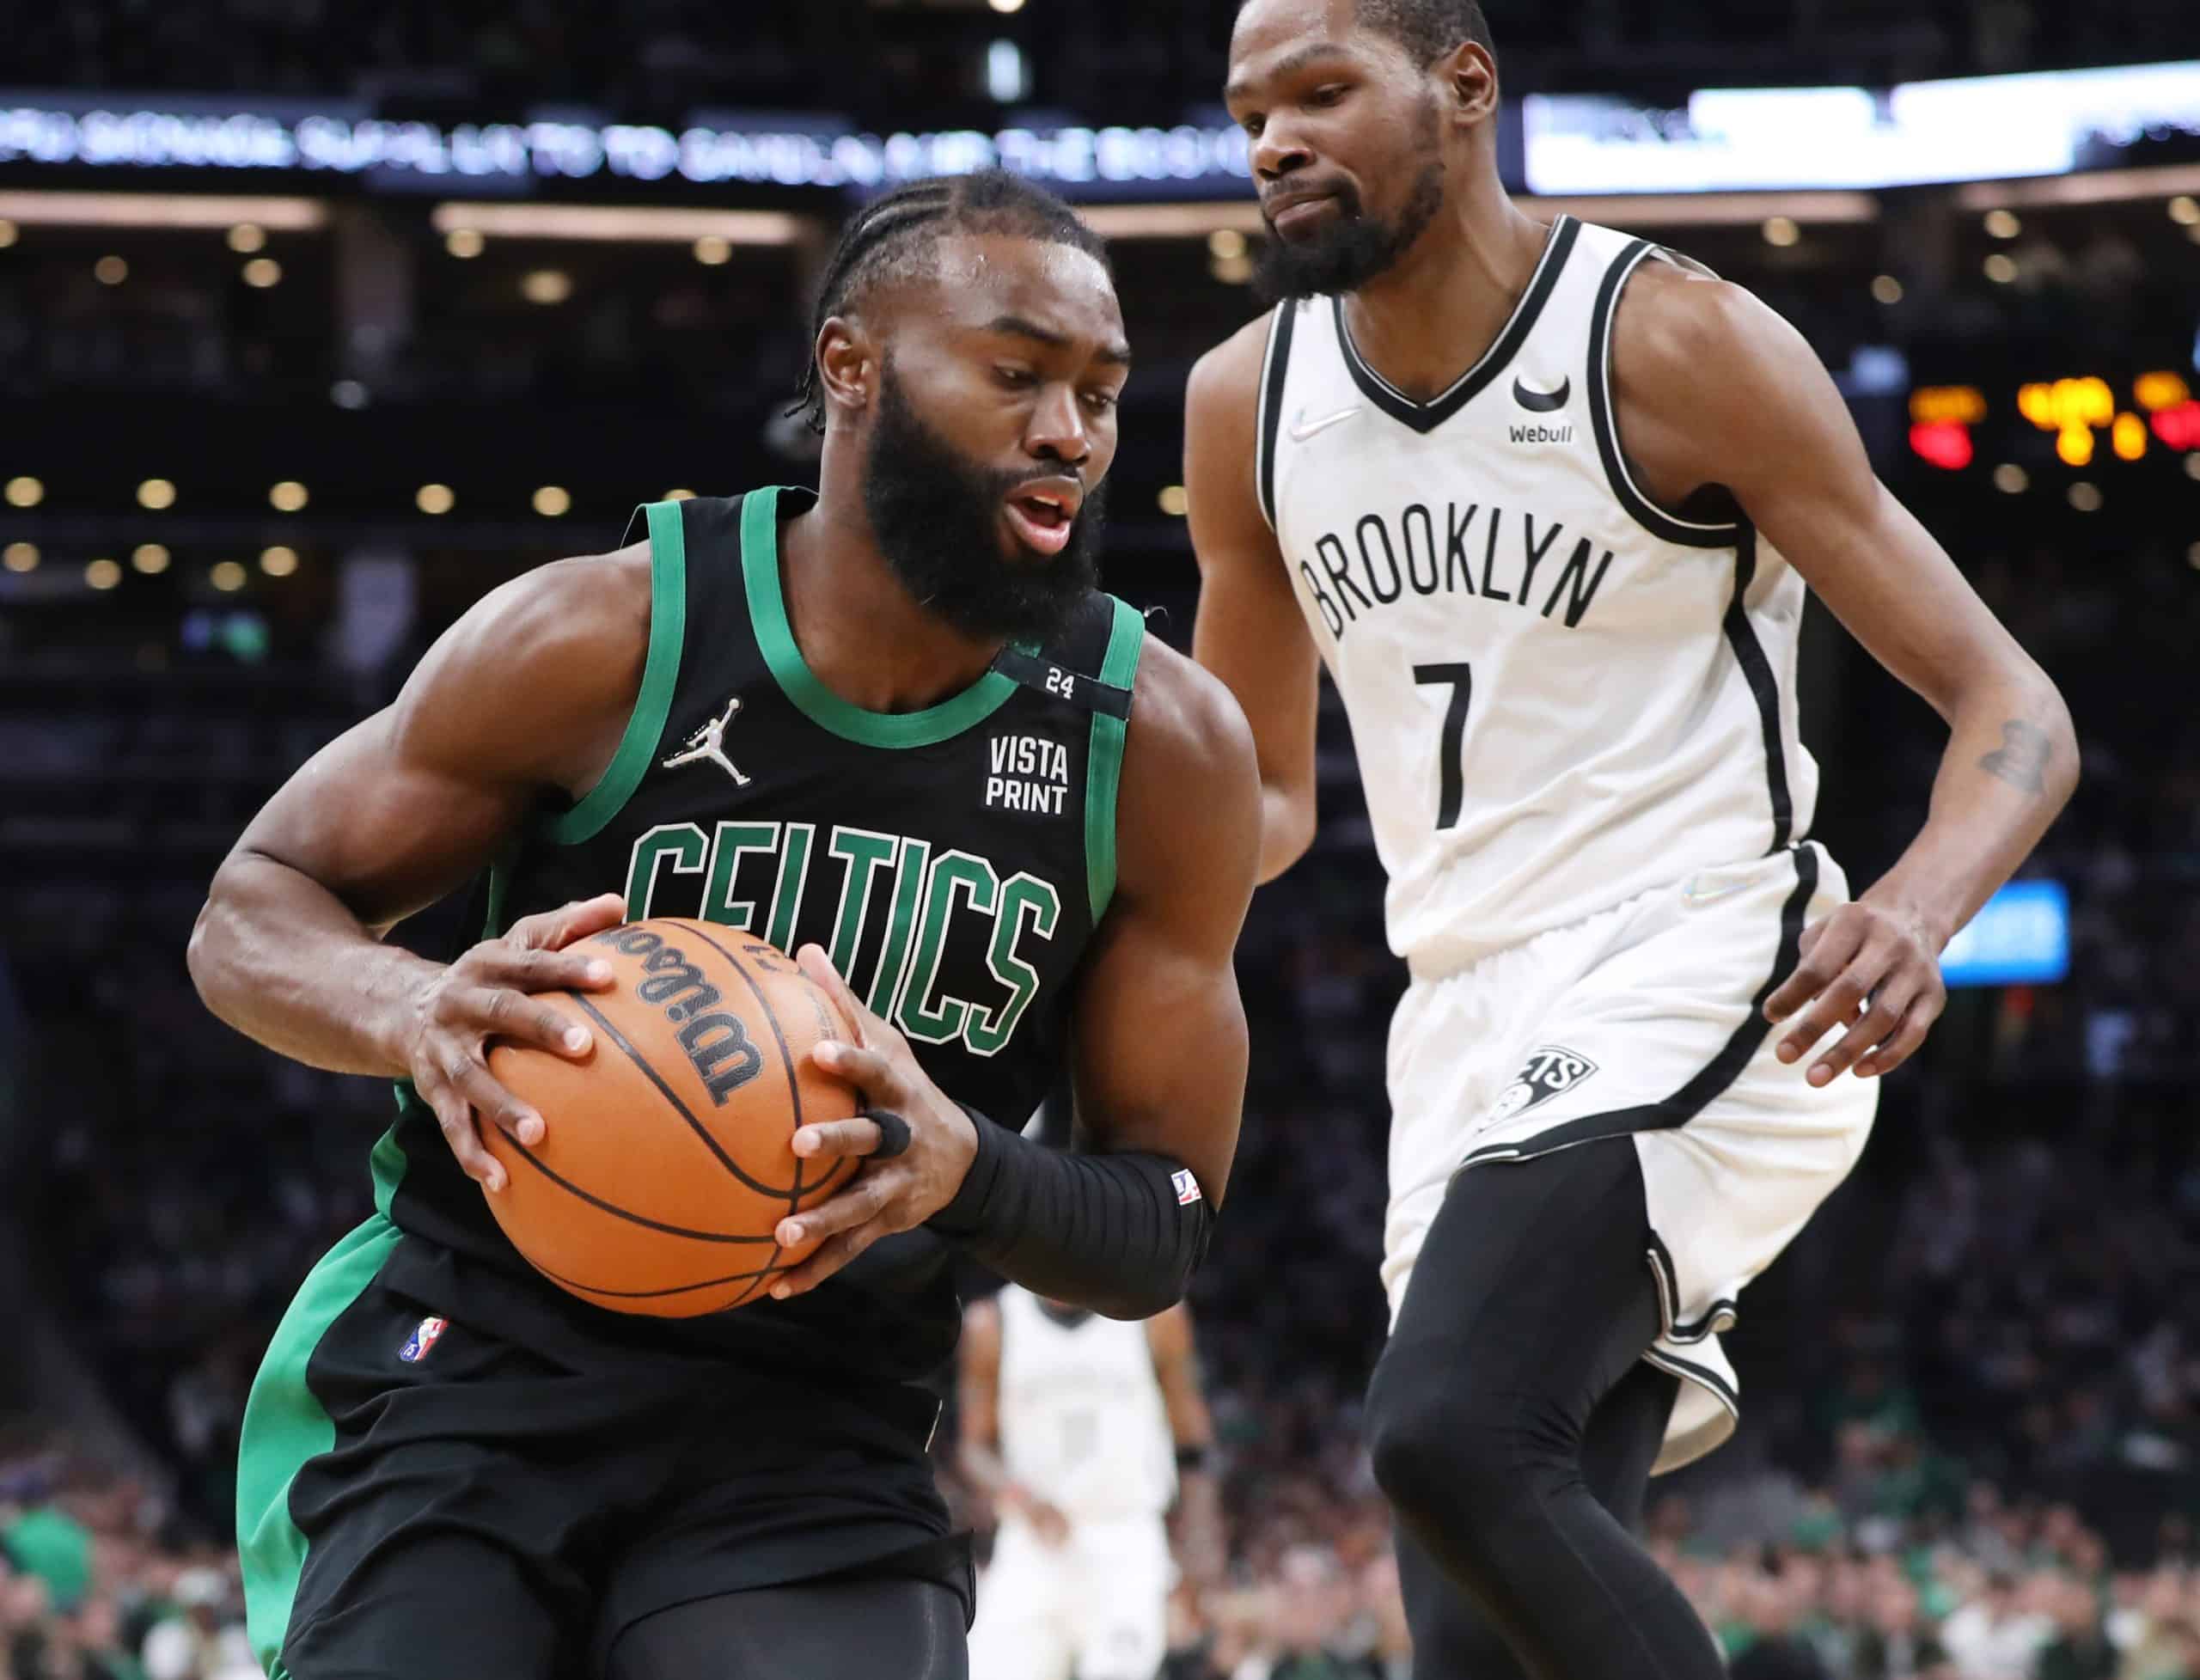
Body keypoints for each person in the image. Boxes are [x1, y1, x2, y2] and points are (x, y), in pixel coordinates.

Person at [188, 169, 1262, 1680]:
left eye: (1098, 391)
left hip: (812, 1435)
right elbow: (251, 910)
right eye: (1016, 375)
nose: (1068, 434)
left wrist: (971, 1170)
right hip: (475, 1370)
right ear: (851, 368)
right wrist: (410, 1008)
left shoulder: (1158, 744)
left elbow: (1164, 1226)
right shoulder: (608, 635)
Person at [1183, 0, 2080, 1673]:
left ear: (1464, 88)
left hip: (1700, 952)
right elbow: (1262, 799)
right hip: (1453, 1024)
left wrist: (1913, 903)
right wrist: (1068, 845)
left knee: (1442, 1423)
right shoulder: (1243, 404)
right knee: (1475, 1627)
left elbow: (2008, 706)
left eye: (1319, 90)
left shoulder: (1668, 341)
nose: (1272, 142)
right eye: (1248, 112)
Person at [959, 1288, 1224, 1680]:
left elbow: (1193, 1443)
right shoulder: (992, 1321)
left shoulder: (1155, 1313)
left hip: (1124, 1536)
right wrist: (1023, 1499)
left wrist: (1202, 1540)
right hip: (1033, 1543)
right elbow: (974, 1449)